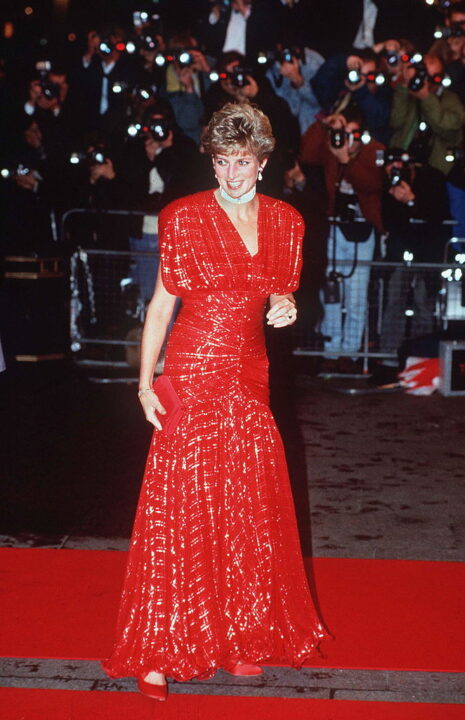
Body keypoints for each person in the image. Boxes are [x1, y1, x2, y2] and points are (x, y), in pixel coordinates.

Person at [101, 101, 327, 699]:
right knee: (177, 506)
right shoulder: (182, 217)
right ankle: (157, 648)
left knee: (246, 503)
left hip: (250, 376)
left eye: (243, 162)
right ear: (213, 160)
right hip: (194, 371)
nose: (231, 175)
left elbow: (280, 292)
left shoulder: (286, 222)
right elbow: (160, 307)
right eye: (223, 162)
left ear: (263, 161)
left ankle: (239, 635)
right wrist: (145, 382)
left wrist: (286, 306)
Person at [299, 106, 384, 371]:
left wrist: (347, 160)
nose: (347, 138)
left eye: (351, 132)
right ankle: (331, 349)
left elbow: (373, 185)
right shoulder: (333, 148)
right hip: (335, 229)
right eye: (344, 132)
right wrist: (325, 126)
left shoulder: (374, 151)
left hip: (363, 231)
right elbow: (307, 153)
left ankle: (349, 351)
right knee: (332, 291)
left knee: (356, 295)